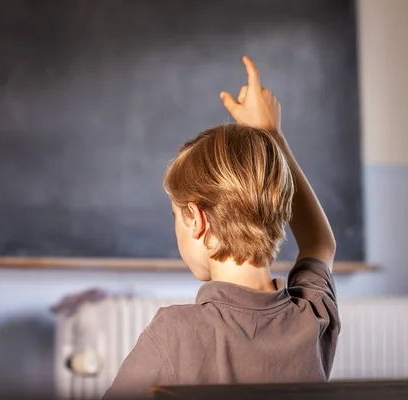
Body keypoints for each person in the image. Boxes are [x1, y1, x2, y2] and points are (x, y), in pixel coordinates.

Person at [103, 56, 339, 399]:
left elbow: (319, 243)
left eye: (175, 216)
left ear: (197, 220)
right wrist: (271, 133)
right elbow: (320, 244)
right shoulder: (311, 317)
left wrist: (268, 134)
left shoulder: (175, 334)